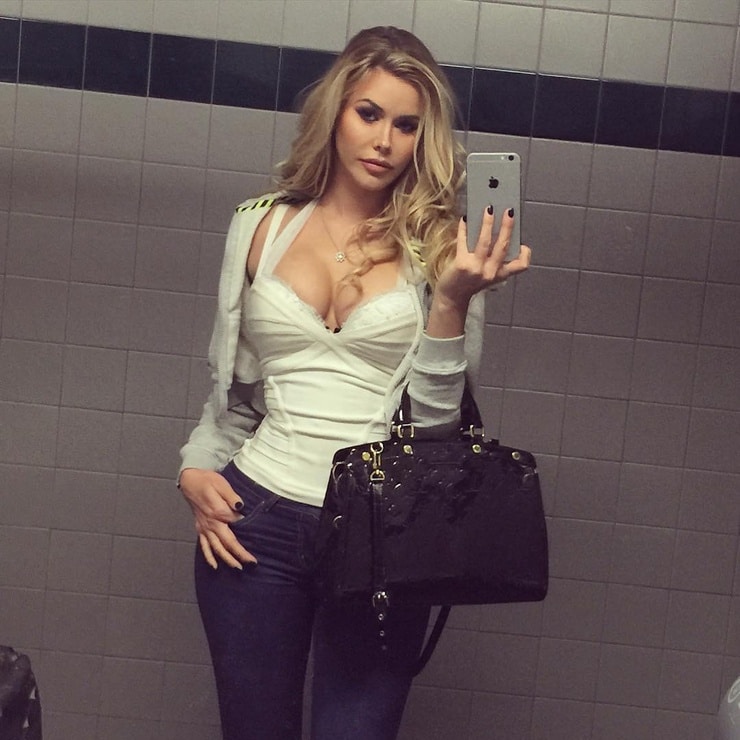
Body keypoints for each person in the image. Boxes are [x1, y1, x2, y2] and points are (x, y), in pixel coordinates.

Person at [177, 25, 531, 740]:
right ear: (336, 111)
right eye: (369, 114)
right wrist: (194, 467)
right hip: (255, 521)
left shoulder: (445, 247)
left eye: (407, 125)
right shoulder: (258, 226)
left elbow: (435, 430)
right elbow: (234, 395)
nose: (384, 141)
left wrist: (450, 302)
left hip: (382, 538)